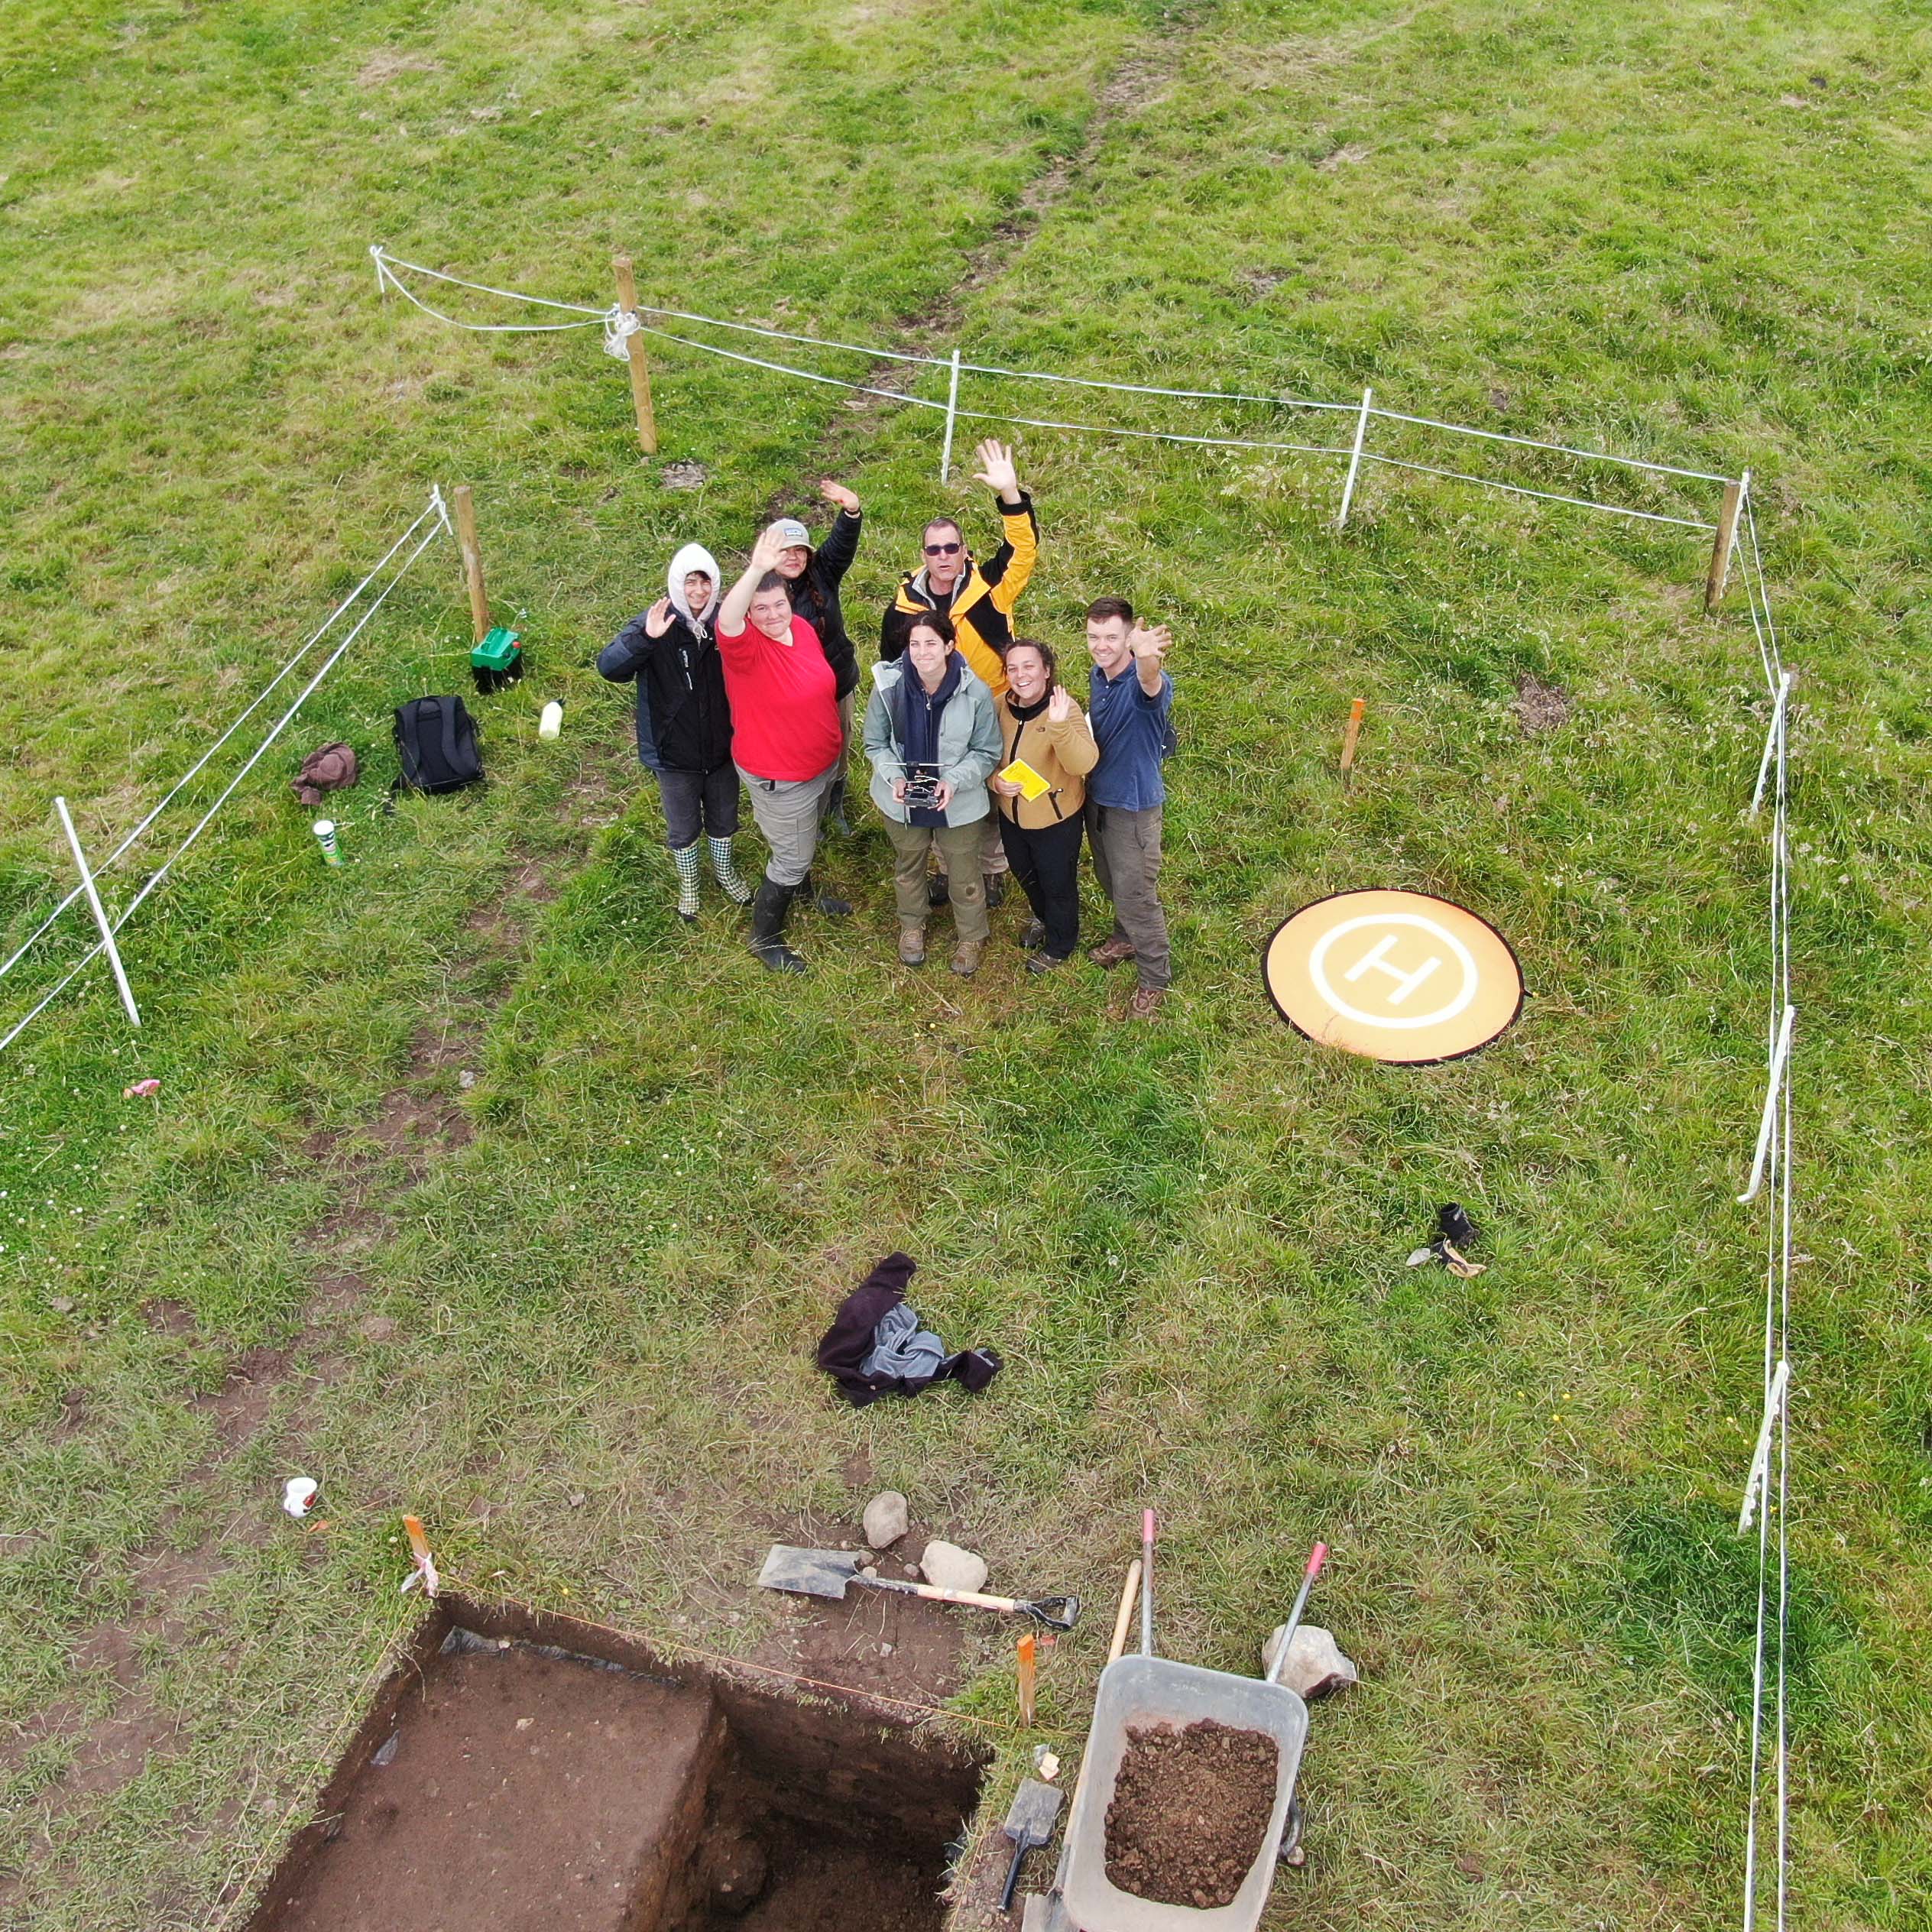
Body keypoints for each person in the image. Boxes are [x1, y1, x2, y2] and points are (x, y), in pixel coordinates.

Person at [882, 439, 1037, 908]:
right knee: (942, 787)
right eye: (935, 549)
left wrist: (1010, 495)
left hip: (992, 703)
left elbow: (1022, 549)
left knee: (992, 789)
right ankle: (951, 870)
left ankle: (992, 870)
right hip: (933, 713)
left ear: (964, 550)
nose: (944, 556)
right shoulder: (904, 607)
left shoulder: (991, 586)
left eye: (952, 547)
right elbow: (892, 668)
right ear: (924, 555)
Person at [715, 526, 853, 973]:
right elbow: (728, 619)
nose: (773, 615)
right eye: (762, 609)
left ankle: (807, 893)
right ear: (750, 615)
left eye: (778, 605)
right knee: (791, 858)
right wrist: (756, 568)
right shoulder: (745, 648)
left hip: (819, 766)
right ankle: (765, 937)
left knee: (805, 838)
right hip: (782, 777)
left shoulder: (800, 629)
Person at [597, 543, 752, 922]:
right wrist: (646, 639)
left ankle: (724, 872)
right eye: (690, 582)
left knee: (724, 818)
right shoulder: (655, 621)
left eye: (707, 583)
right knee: (682, 828)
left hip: (722, 750)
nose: (699, 592)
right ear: (675, 583)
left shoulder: (725, 622)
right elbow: (609, 667)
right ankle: (689, 885)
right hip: (672, 753)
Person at [863, 612, 1002, 975]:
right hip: (902, 801)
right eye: (914, 644)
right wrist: (894, 777)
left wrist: (954, 780)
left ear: (949, 646)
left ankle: (971, 935)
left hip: (958, 802)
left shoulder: (976, 692)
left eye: (930, 644)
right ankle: (912, 925)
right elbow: (875, 743)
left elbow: (986, 751)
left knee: (964, 871)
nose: (921, 652)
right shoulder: (887, 687)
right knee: (909, 866)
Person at [1084, 596, 1175, 1020]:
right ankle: (1125, 937)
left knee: (1137, 894)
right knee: (1110, 879)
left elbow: (1150, 682)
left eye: (1112, 638)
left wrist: (1146, 658)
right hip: (1097, 799)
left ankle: (1154, 978)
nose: (1102, 646)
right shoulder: (1099, 677)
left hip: (1132, 810)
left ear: (1128, 638)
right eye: (1094, 637)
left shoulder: (1143, 682)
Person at [989, 637, 1097, 973]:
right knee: (1025, 874)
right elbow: (983, 753)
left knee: (1058, 884)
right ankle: (1042, 917)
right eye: (1013, 668)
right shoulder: (998, 707)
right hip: (1012, 816)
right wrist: (995, 780)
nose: (1021, 675)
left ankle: (1060, 944)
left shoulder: (1065, 709)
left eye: (1029, 666)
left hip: (1056, 820)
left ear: (1046, 671)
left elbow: (1084, 763)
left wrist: (1060, 726)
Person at [770, 480, 864, 833]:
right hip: (790, 698)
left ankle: (835, 805)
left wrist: (851, 512)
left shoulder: (823, 573)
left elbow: (842, 545)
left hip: (836, 684)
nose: (793, 557)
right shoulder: (758, 589)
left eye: (800, 550)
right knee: (803, 754)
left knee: (839, 743)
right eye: (785, 550)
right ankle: (809, 808)